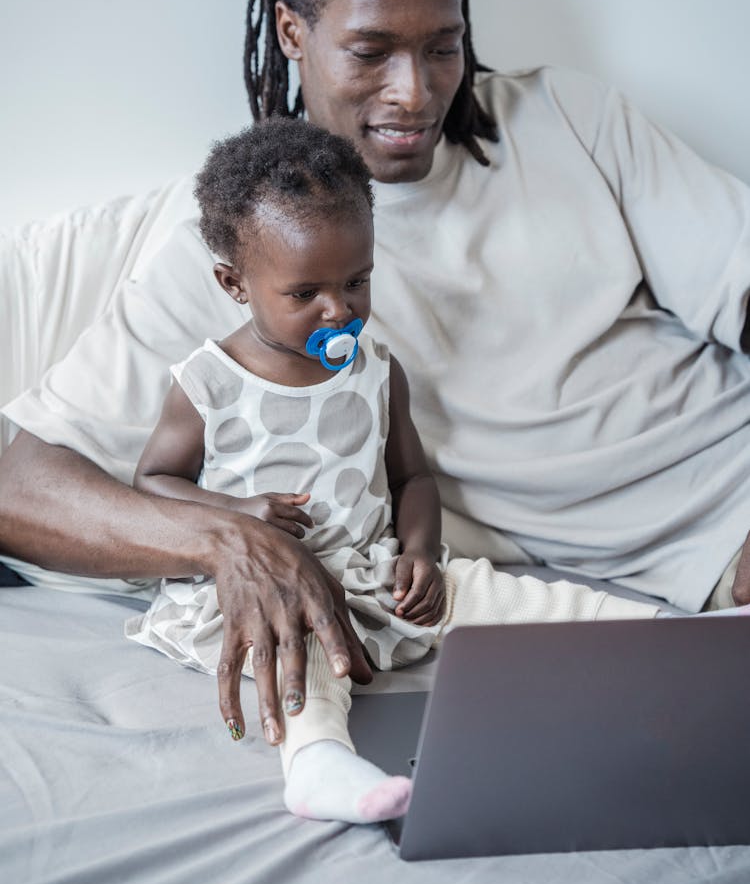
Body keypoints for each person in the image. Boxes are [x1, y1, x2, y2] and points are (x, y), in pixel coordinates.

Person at [2, 0, 750, 746]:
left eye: (444, 45)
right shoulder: (239, 250)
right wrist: (226, 541)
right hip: (713, 566)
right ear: (291, 33)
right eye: (371, 51)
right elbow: (18, 484)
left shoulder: (570, 119)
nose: (418, 91)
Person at [126, 115, 664, 824]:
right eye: (304, 293)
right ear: (235, 282)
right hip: (270, 593)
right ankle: (317, 763)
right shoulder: (208, 382)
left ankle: (676, 634)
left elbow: (413, 479)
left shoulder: (377, 369)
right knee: (305, 651)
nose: (339, 309)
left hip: (369, 567)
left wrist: (420, 554)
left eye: (358, 281)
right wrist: (237, 514)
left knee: (503, 592)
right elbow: (152, 484)